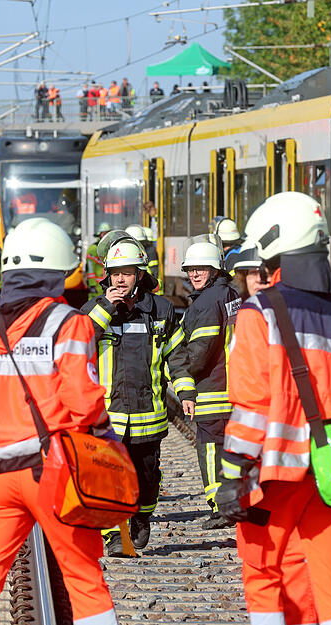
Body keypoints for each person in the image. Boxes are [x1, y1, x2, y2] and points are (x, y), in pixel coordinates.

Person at [217, 191, 331, 625]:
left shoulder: (260, 313)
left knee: (262, 576)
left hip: (275, 473)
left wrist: (235, 473)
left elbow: (251, 408)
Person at [0, 218, 119, 625]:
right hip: (51, 472)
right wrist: (106, 443)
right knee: (83, 577)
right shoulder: (68, 323)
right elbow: (85, 404)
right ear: (58, 274)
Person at [81, 232, 193, 556]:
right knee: (107, 480)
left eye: (127, 273)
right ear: (107, 275)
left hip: (149, 414)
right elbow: (79, 343)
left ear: (139, 275)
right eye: (115, 273)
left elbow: (177, 354)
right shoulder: (95, 309)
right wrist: (106, 308)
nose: (120, 279)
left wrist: (185, 391)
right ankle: (114, 537)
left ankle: (142, 517)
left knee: (147, 479)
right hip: (108, 416)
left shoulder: (161, 310)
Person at [178, 238, 241, 529]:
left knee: (211, 447)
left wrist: (179, 369)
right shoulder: (231, 295)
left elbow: (199, 353)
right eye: (190, 270)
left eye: (200, 269)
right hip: (237, 387)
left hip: (214, 388)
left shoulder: (205, 303)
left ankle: (220, 506)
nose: (194, 275)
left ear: (215, 269)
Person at [85, 222, 111, 299]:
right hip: (97, 285)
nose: (106, 236)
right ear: (100, 234)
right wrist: (92, 284)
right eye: (104, 233)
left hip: (108, 283)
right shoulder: (93, 249)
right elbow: (90, 269)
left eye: (108, 233)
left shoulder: (110, 247)